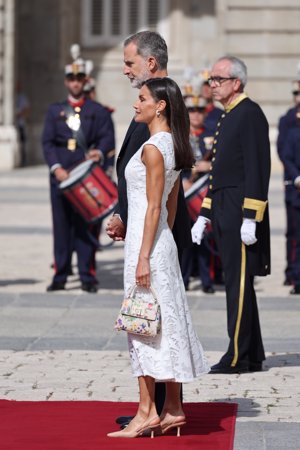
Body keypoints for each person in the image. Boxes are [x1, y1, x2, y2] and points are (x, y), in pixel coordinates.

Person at [107, 77, 209, 438]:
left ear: (160, 105)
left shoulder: (153, 148)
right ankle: (174, 408)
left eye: (142, 98)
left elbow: (153, 208)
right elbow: (169, 206)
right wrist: (159, 245)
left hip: (146, 245)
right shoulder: (173, 144)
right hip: (159, 243)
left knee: (142, 326)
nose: (136, 103)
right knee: (164, 325)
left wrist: (143, 256)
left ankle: (146, 412)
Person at [192, 56, 271, 374]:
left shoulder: (249, 114)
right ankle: (252, 353)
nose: (212, 85)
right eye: (211, 80)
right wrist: (204, 214)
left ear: (236, 82)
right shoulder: (227, 116)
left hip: (240, 211)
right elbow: (219, 173)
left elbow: (256, 168)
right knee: (239, 283)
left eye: (218, 79)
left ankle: (236, 355)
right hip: (225, 207)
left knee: (237, 284)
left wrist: (251, 216)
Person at [42, 53, 115, 293]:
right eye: (71, 78)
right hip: (62, 177)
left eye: (79, 78)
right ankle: (60, 274)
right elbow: (48, 142)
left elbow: (107, 138)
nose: (75, 82)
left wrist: (100, 152)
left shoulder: (98, 111)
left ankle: (87, 275)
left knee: (86, 227)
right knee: (61, 227)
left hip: (86, 178)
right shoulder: (55, 111)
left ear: (86, 80)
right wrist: (56, 168)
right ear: (66, 81)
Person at [181, 95, 215, 293]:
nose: (195, 115)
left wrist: (209, 165)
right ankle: (183, 279)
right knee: (185, 240)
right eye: (192, 110)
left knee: (205, 239)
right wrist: (183, 180)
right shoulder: (180, 135)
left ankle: (207, 281)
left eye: (199, 111)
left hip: (205, 193)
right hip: (185, 193)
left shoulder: (212, 135)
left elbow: (224, 161)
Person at [277, 80, 300, 287]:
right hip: (295, 186)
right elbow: (284, 153)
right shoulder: (288, 120)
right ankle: (293, 273)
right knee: (294, 233)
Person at [281, 109, 300, 294]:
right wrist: (297, 177)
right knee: (295, 237)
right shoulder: (294, 133)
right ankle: (296, 277)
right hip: (297, 192)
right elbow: (286, 157)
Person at [16, 82, 30, 167]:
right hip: (15, 124)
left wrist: (20, 114)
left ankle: (23, 160)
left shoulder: (22, 97)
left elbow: (27, 109)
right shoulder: (13, 97)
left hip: (21, 123)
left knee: (22, 143)